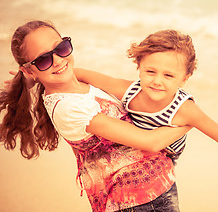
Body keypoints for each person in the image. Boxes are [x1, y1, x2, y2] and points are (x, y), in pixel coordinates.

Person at [0, 21, 192, 212]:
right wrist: (189, 121)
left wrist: (28, 79)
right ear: (29, 69)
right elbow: (150, 142)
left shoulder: (74, 81)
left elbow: (67, 71)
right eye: (43, 59)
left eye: (61, 48)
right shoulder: (70, 108)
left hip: (148, 192)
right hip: (138, 202)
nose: (58, 60)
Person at [76, 29, 218, 184]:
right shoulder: (130, 90)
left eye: (169, 75)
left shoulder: (184, 109)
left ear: (184, 79)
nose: (157, 81)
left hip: (165, 154)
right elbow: (88, 76)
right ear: (138, 67)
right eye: (150, 71)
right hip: (134, 140)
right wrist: (48, 75)